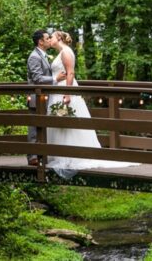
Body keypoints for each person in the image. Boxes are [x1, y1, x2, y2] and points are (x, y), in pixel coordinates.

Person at [46, 30, 138, 178]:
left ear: (59, 38)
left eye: (51, 37)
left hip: (64, 91)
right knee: (61, 124)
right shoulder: (61, 52)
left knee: (68, 123)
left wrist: (67, 93)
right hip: (58, 91)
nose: (49, 39)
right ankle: (60, 154)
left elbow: (70, 73)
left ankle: (72, 156)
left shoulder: (66, 52)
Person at [26, 28, 65, 166]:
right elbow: (37, 78)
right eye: (47, 38)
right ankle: (32, 157)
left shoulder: (42, 55)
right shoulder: (34, 57)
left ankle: (41, 153)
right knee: (34, 128)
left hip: (45, 97)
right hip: (36, 98)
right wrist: (56, 78)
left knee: (42, 126)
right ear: (40, 42)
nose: (49, 40)